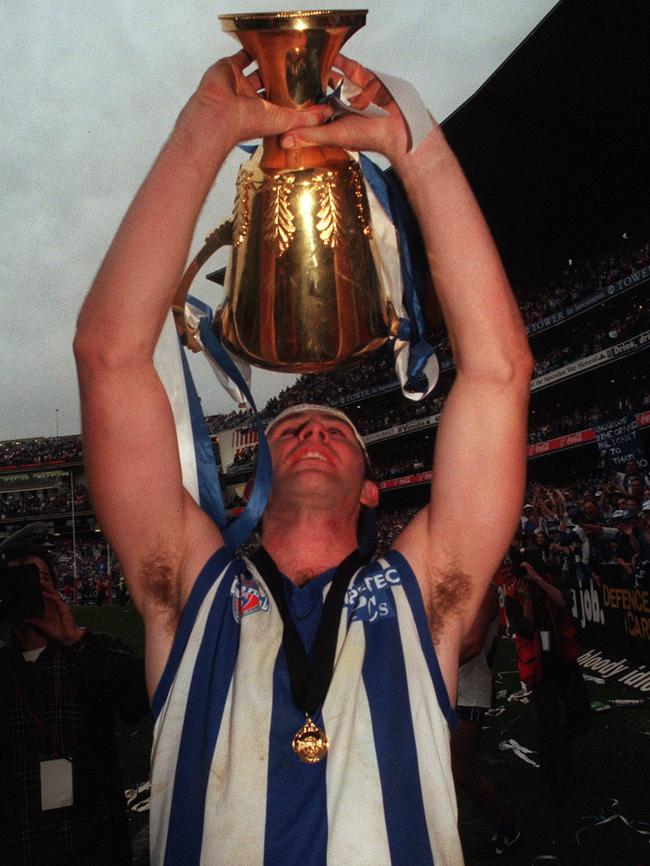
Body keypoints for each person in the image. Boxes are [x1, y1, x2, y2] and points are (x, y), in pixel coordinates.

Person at [74, 49, 532, 865]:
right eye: (291, 426)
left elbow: (498, 374)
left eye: (337, 430)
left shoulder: (425, 591)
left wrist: (414, 145)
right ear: (253, 480)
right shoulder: (190, 584)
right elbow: (109, 356)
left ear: (369, 487)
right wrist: (202, 133)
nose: (314, 427)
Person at [0, 541, 149, 866]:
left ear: (55, 590)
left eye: (37, 579)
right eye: (13, 579)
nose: (26, 588)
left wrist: (75, 639)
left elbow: (142, 697)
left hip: (89, 844)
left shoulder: (90, 652)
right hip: (17, 846)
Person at [505, 557, 591, 801]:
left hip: (563, 659)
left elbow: (564, 603)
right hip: (539, 666)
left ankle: (559, 748)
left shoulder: (550, 584)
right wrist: (529, 599)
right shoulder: (514, 597)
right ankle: (551, 774)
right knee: (547, 720)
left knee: (581, 714)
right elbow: (524, 629)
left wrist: (539, 582)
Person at [451, 583, 520, 857]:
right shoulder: (462, 585)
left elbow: (471, 645)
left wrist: (423, 662)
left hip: (469, 691)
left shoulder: (483, 591)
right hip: (452, 688)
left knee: (463, 771)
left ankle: (508, 829)